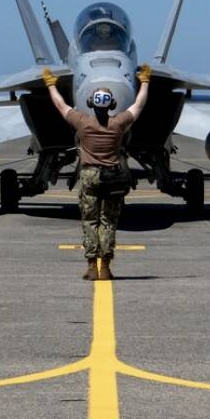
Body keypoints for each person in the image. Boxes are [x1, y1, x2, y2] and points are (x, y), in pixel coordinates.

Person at [43, 63, 151, 281]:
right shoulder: (118, 124)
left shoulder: (82, 122)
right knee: (109, 222)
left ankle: (92, 266)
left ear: (91, 103)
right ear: (112, 104)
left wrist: (51, 85)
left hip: (90, 176)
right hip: (113, 176)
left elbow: (60, 105)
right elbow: (139, 105)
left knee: (90, 221)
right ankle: (106, 268)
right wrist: (145, 82)